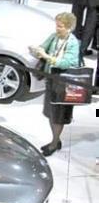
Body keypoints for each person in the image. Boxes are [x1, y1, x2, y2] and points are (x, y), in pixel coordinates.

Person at [29, 12, 80, 156]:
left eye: (61, 26)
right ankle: (55, 140)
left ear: (69, 27)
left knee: (58, 116)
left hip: (63, 84)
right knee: (51, 113)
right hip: (51, 80)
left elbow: (68, 62)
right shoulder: (54, 36)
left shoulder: (72, 42)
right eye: (57, 25)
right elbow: (43, 46)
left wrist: (48, 58)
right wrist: (38, 50)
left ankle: (54, 143)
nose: (57, 28)